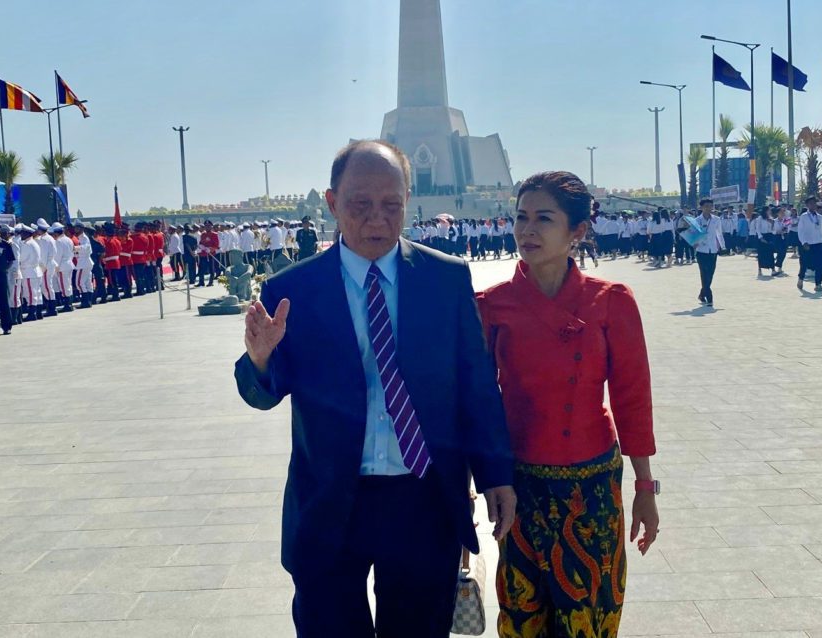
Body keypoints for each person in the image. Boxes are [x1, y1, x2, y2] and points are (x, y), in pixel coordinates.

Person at [234, 140, 515, 638]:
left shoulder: (444, 280)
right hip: (329, 503)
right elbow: (263, 391)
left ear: (409, 202)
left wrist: (495, 473)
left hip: (422, 501)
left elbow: (476, 386)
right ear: (331, 203)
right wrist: (260, 360)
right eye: (360, 205)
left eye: (392, 206)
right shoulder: (292, 291)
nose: (377, 220)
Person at [477, 171, 658, 637]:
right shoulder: (492, 306)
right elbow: (476, 403)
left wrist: (644, 489)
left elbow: (632, 398)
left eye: (543, 219)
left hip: (592, 486)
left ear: (577, 231)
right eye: (520, 217)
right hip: (519, 487)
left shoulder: (611, 302)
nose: (527, 230)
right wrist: (469, 485)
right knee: (522, 618)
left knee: (588, 618)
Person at [690, 198, 726, 306]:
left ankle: (702, 293)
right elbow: (692, 234)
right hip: (701, 250)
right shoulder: (696, 221)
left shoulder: (716, 219)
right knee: (704, 273)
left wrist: (723, 246)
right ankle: (709, 296)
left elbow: (719, 233)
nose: (708, 208)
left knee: (710, 273)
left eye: (710, 206)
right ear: (701, 207)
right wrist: (694, 243)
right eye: (706, 206)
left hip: (713, 249)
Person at [797, 196, 822, 292]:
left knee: (819, 264)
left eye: (814, 203)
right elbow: (800, 231)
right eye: (810, 203)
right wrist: (803, 242)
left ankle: (818, 284)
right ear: (807, 205)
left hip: (818, 243)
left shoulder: (821, 217)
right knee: (804, 264)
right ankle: (800, 279)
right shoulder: (804, 217)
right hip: (807, 244)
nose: (813, 205)